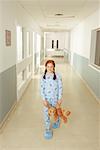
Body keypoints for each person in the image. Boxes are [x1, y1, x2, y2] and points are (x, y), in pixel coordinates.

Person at [40, 60, 63, 139]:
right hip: (47, 100)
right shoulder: (43, 77)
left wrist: (60, 98)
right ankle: (47, 128)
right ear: (46, 67)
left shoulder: (58, 76)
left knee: (56, 111)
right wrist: (44, 100)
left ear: (54, 67)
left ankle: (57, 121)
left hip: (55, 99)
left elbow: (60, 88)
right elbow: (41, 89)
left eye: (51, 66)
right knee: (46, 114)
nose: (50, 68)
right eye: (48, 66)